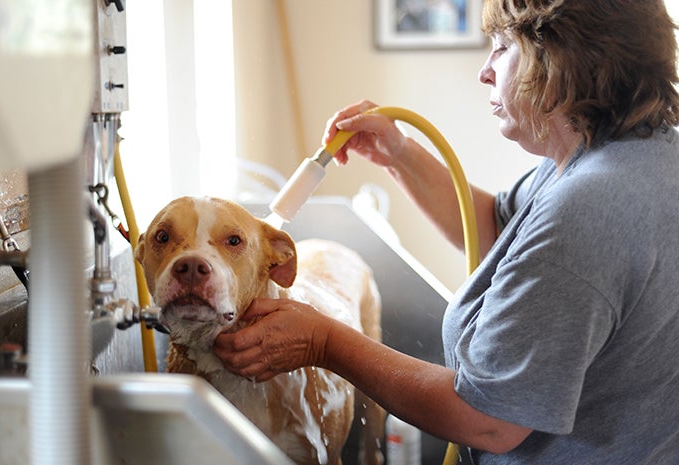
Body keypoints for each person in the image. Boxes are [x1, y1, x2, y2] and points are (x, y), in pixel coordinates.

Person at [214, 0, 679, 463]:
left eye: (501, 47)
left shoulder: (589, 208)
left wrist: (324, 341)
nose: (485, 71)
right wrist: (398, 153)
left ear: (557, 60)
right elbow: (499, 234)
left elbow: (487, 420)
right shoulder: (628, 154)